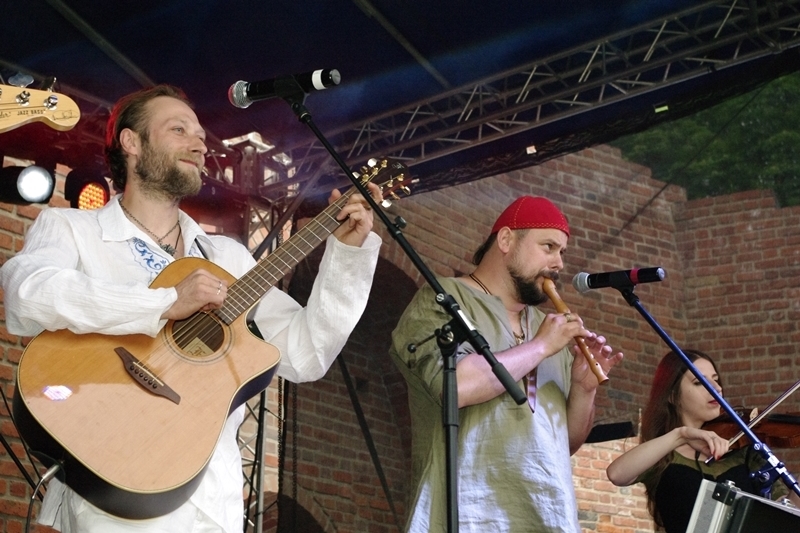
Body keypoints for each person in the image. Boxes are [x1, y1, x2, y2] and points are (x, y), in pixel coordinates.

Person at [1, 84, 383, 532]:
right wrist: (164, 303)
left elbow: (305, 354)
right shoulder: (72, 228)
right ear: (132, 143)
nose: (200, 144)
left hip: (212, 499)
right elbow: (27, 293)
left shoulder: (228, 258)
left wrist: (346, 257)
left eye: (201, 136)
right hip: (114, 490)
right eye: (178, 130)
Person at [389, 195, 624, 532]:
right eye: (548, 247)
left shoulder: (549, 327)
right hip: (468, 513)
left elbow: (566, 444)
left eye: (562, 252)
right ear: (506, 239)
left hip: (549, 517)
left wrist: (584, 389)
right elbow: (455, 386)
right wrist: (540, 346)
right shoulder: (444, 298)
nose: (558, 263)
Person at [606, 349, 800, 533]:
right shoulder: (662, 454)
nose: (716, 388)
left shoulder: (745, 449)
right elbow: (617, 474)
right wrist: (680, 435)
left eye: (716, 380)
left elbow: (785, 513)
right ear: (672, 395)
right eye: (700, 382)